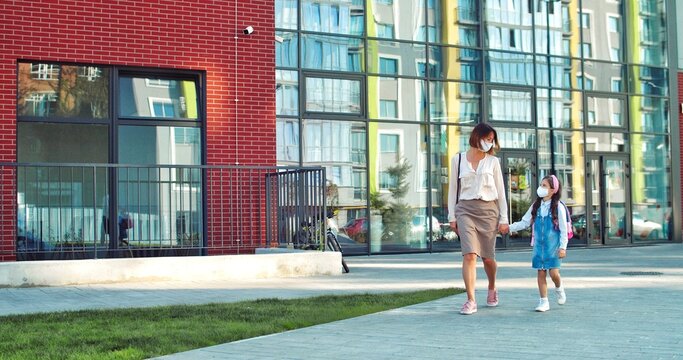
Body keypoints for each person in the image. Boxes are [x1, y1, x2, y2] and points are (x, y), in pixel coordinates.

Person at [448, 123, 509, 315]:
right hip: (465, 209)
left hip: (488, 212)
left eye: (492, 140)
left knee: (488, 258)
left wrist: (504, 218)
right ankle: (471, 300)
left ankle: (492, 287)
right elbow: (452, 190)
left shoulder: (493, 162)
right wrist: (452, 215)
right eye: (487, 139)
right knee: (469, 255)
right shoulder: (458, 159)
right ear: (477, 137)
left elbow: (501, 192)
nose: (489, 143)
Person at [508, 174, 568, 312]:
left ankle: (559, 287)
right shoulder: (536, 205)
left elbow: (564, 230)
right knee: (541, 273)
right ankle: (543, 301)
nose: (541, 188)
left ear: (553, 190)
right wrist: (509, 228)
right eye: (541, 185)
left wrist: (563, 247)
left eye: (544, 185)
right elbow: (525, 222)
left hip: (553, 247)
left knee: (554, 273)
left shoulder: (558, 207)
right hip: (539, 247)